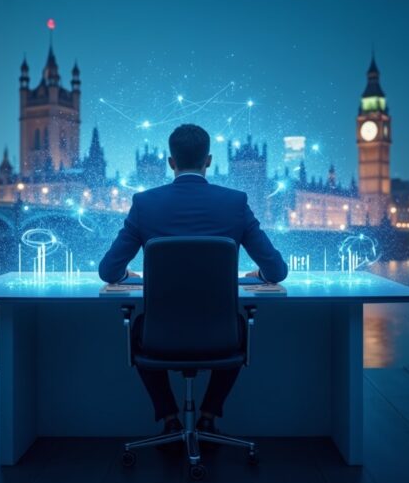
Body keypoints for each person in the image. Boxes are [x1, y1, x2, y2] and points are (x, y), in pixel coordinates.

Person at [99, 123, 288, 440]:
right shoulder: (235, 203)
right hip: (221, 337)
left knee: (137, 327)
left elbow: (108, 271)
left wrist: (123, 275)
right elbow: (277, 271)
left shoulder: (145, 204)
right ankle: (209, 416)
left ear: (170, 162)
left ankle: (170, 418)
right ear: (209, 160)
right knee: (239, 326)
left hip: (159, 339)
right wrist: (261, 275)